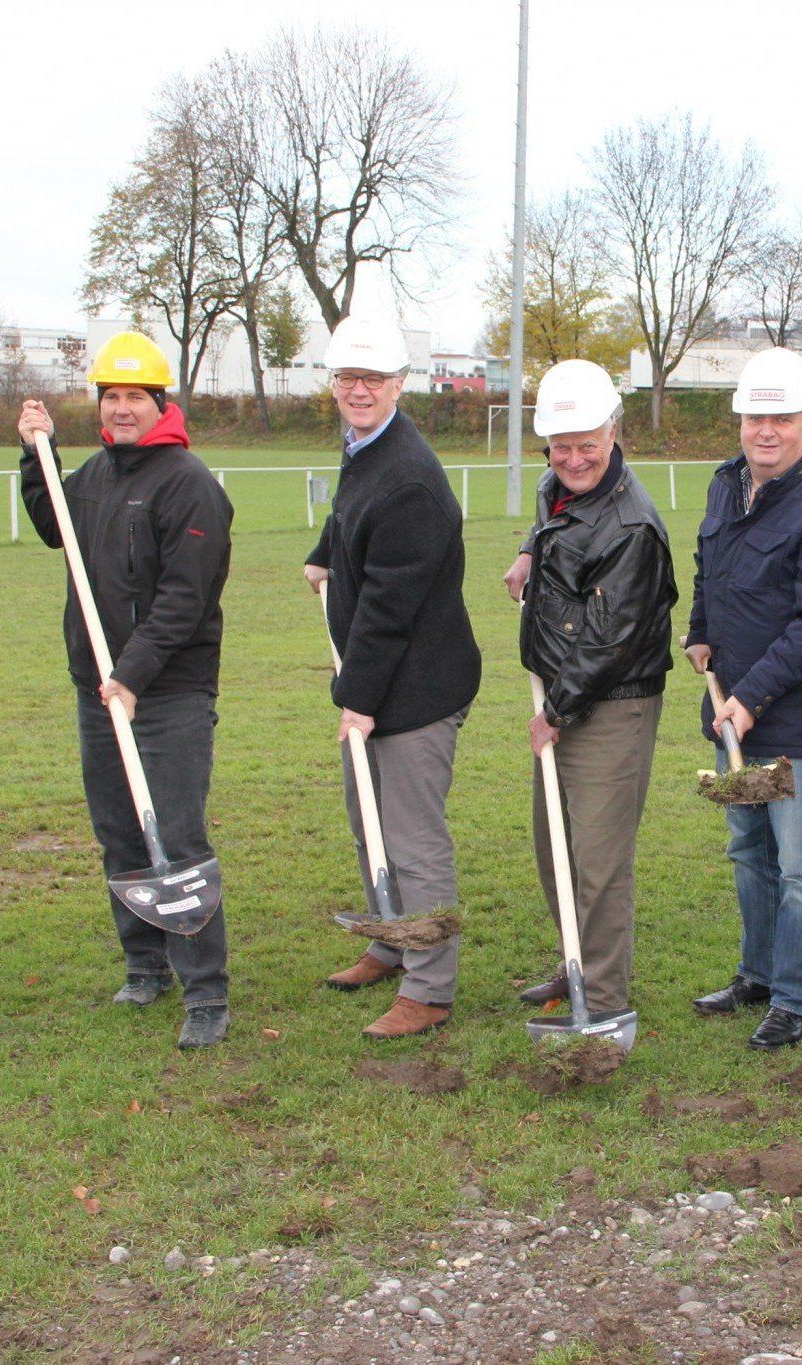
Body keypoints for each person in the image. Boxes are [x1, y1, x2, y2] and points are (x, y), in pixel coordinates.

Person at [17, 331, 235, 1049]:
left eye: (134, 396)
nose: (121, 408)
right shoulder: (94, 474)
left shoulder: (189, 483)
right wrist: (37, 458)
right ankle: (145, 964)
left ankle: (205, 990)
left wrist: (132, 674)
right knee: (118, 831)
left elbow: (185, 598)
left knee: (175, 836)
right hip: (99, 690)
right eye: (111, 396)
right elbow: (54, 525)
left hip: (168, 693)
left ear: (160, 403)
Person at [683, 348, 802, 1049]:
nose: (767, 430)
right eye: (756, 417)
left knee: (801, 867)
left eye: (782, 418)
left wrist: (752, 695)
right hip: (734, 714)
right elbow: (709, 568)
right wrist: (701, 630)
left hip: (799, 724)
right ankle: (757, 975)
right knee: (748, 849)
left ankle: (794, 998)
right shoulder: (725, 486)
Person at [305, 315, 481, 1039]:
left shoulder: (408, 476)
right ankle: (389, 940)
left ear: (400, 384)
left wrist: (358, 700)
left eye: (373, 379)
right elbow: (353, 514)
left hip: (418, 687)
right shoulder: (365, 448)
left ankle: (429, 988)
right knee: (367, 822)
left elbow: (388, 607)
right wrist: (325, 551)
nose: (359, 390)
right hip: (382, 680)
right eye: (348, 377)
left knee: (411, 838)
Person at [502, 359, 675, 1022]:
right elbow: (552, 511)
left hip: (610, 701)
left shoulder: (631, 527)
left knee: (599, 862)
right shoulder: (559, 486)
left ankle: (600, 1001)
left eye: (587, 445)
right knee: (556, 846)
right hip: (566, 690)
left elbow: (611, 640)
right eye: (561, 446)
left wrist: (555, 712)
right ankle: (573, 957)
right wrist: (530, 551)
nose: (574, 459)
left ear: (613, 434)